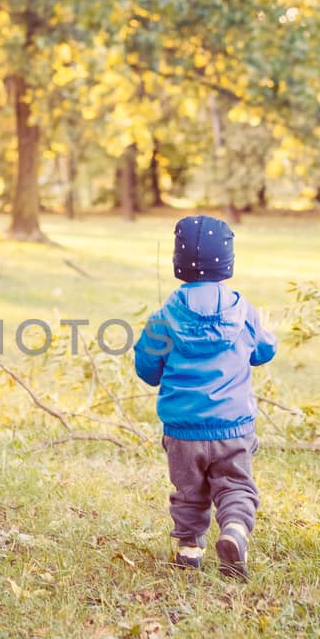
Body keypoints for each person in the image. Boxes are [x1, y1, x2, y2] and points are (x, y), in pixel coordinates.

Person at [134, 216, 277, 579]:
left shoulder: (165, 316)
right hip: (234, 428)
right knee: (236, 486)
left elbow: (147, 368)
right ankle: (234, 531)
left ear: (177, 263)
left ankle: (189, 549)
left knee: (188, 490)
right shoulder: (243, 311)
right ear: (227, 262)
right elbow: (265, 351)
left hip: (183, 431)